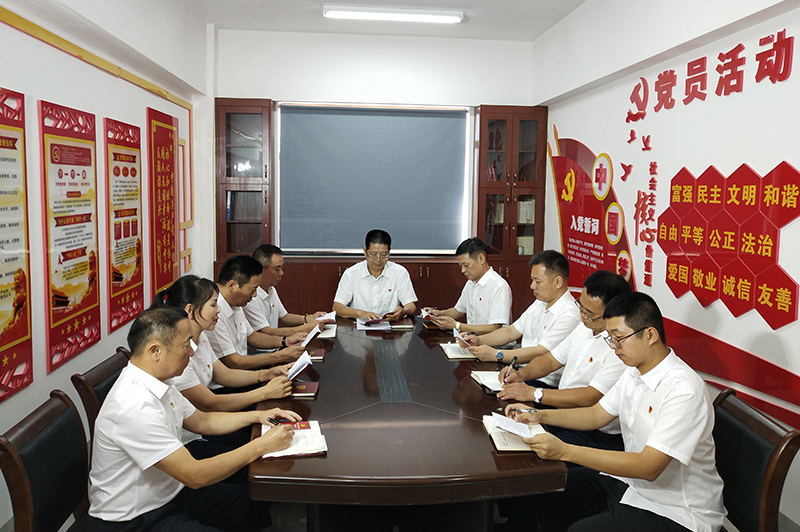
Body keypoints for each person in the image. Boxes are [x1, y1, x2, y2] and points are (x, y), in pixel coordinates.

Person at [503, 292, 726, 532]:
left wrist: (565, 450)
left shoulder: (683, 390)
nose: (613, 347)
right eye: (610, 338)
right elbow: (595, 415)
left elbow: (649, 467)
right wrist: (538, 415)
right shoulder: (634, 371)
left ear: (650, 335)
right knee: (544, 488)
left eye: (619, 338)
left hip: (678, 510)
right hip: (634, 486)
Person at [74, 307, 300, 532]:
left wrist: (258, 416)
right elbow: (195, 475)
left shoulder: (160, 381)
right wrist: (261, 445)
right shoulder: (134, 407)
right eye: (185, 344)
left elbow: (203, 421)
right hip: (135, 517)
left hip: (170, 491)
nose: (192, 352)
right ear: (155, 351)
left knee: (246, 503)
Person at [497, 270, 631, 451]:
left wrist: (534, 393)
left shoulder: (619, 347)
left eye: (590, 313)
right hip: (563, 414)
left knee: (532, 449)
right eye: (581, 306)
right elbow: (551, 361)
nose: (582, 315)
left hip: (594, 431)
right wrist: (520, 375)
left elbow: (589, 397)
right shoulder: (584, 328)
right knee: (510, 420)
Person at [151, 275, 292, 414]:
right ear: (190, 310)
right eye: (213, 305)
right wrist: (265, 392)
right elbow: (210, 404)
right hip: (201, 422)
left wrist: (267, 374)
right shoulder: (177, 352)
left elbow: (225, 374)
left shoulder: (201, 336)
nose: (218, 310)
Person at [465, 250, 581, 388]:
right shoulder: (540, 302)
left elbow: (539, 352)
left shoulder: (570, 314)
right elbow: (511, 331)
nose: (532, 286)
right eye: (532, 280)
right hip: (520, 372)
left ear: (558, 282)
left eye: (537, 281)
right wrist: (479, 340)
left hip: (542, 383)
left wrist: (497, 354)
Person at [205, 255, 306, 370]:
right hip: (234, 377)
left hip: (244, 372)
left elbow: (252, 336)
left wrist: (285, 341)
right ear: (232, 286)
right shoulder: (214, 312)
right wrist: (280, 356)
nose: (255, 295)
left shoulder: (236, 302)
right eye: (252, 289)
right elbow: (234, 361)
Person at [423, 237, 511, 334]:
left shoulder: (498, 286)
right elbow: (458, 311)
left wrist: (458, 326)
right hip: (472, 339)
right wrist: (439, 313)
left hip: (492, 342)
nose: (463, 270)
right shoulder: (470, 283)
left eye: (466, 265)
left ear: (481, 259)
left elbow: (494, 328)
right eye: (461, 266)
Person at [244, 244, 332, 336]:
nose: (282, 273)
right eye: (277, 269)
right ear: (260, 270)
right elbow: (266, 332)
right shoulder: (250, 297)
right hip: (268, 344)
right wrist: (307, 328)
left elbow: (284, 317)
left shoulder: (271, 289)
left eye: (282, 268)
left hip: (276, 342)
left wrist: (309, 318)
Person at [333, 229, 418, 321]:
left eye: (383, 255)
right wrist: (360, 313)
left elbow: (411, 305)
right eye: (373, 254)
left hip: (389, 326)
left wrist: (404, 311)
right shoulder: (351, 273)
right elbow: (337, 307)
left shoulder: (399, 272)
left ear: (389, 251)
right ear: (365, 251)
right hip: (359, 326)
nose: (378, 259)